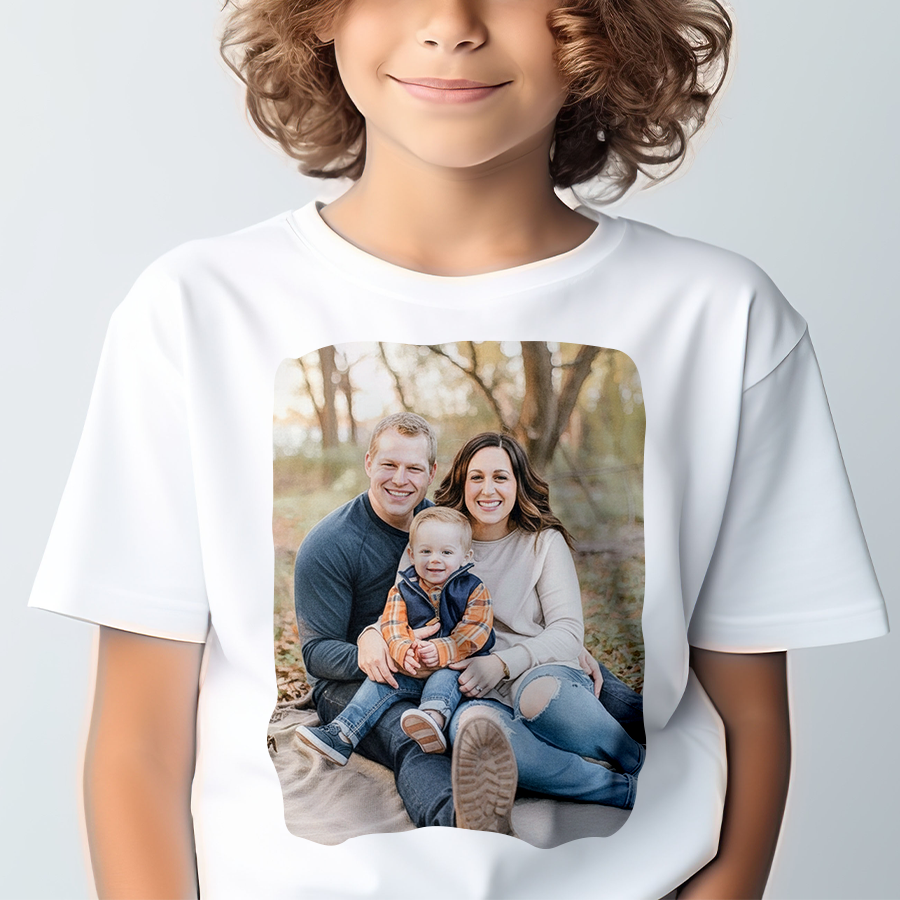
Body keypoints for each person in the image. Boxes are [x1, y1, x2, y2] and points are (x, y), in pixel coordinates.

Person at [25, 0, 889, 898]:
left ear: (600, 20)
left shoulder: (722, 318)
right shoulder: (193, 311)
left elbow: (748, 717)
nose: (450, 23)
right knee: (460, 723)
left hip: (555, 735)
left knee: (543, 703)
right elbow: (138, 736)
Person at [293, 411, 518, 831]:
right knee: (412, 738)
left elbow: (484, 601)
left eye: (414, 468)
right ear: (368, 463)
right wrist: (379, 648)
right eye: (389, 465)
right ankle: (463, 822)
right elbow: (316, 654)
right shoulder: (329, 544)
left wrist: (558, 644)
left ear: (431, 473)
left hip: (442, 664)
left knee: (559, 684)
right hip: (357, 684)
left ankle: (648, 739)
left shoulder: (443, 530)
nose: (400, 479)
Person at [428, 432, 646, 808]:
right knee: (477, 737)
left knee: (538, 698)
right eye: (476, 477)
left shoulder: (543, 541)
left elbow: (568, 631)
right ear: (462, 483)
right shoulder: (439, 542)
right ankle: (622, 791)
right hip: (472, 690)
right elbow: (407, 605)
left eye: (500, 477)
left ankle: (638, 761)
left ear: (518, 484)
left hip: (539, 672)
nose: (488, 489)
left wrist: (501, 663)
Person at [295, 505, 495, 762]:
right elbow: (392, 625)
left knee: (446, 676)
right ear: (411, 554)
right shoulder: (403, 589)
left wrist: (443, 649)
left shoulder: (473, 589)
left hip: (453, 666)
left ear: (466, 557)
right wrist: (403, 650)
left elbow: (476, 629)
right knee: (379, 681)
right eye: (426, 551)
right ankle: (342, 734)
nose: (435, 559)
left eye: (446, 552)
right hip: (411, 666)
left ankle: (431, 720)